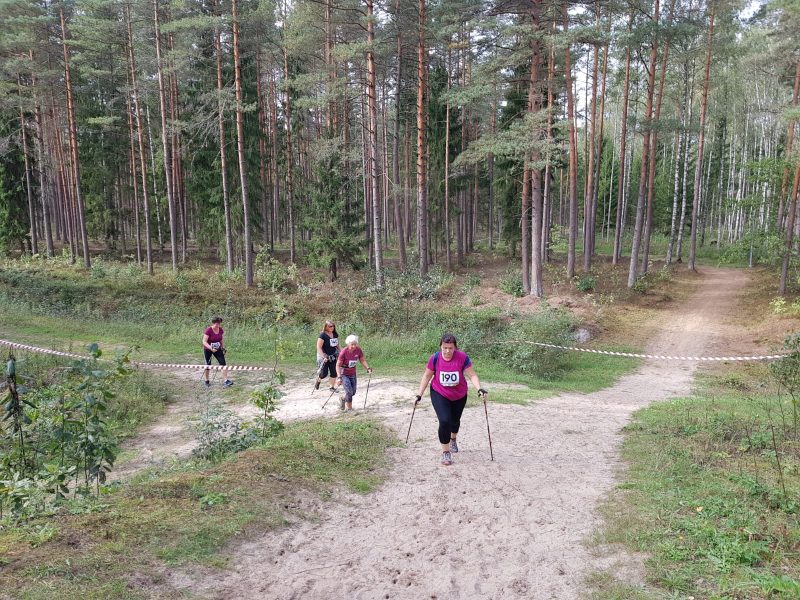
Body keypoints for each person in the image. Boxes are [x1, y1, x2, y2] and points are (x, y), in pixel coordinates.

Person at [415, 333, 487, 466]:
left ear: (455, 348)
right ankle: (445, 451)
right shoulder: (435, 358)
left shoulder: (462, 357)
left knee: (455, 421)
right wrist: (419, 394)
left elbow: (472, 375)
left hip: (459, 395)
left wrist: (479, 389)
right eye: (445, 348)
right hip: (439, 393)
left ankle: (453, 439)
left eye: (450, 348)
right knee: (444, 421)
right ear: (441, 347)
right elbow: (426, 376)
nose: (447, 351)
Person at [336, 334, 372, 411]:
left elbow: (362, 360)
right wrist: (339, 377)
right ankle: (349, 409)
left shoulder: (358, 350)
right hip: (344, 374)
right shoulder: (343, 352)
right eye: (352, 344)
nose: (354, 346)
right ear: (348, 343)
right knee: (349, 392)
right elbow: (338, 365)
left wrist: (368, 368)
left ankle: (343, 398)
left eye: (355, 344)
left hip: (352, 373)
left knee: (353, 392)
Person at [203, 316, 233, 388]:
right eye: (216, 324)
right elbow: (204, 342)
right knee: (208, 365)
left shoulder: (220, 329)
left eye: (219, 323)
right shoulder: (208, 330)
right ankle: (206, 381)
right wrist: (211, 348)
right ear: (213, 323)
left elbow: (221, 338)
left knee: (223, 363)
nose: (218, 325)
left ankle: (226, 381)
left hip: (218, 349)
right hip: (208, 349)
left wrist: (222, 347)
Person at [314, 320, 340, 391]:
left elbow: (337, 345)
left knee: (334, 372)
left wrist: (342, 352)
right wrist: (323, 356)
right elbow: (318, 347)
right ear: (326, 327)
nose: (332, 327)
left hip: (333, 355)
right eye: (330, 326)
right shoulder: (322, 335)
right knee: (323, 374)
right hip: (324, 356)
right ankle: (318, 380)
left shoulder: (335, 334)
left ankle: (331, 387)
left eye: (333, 326)